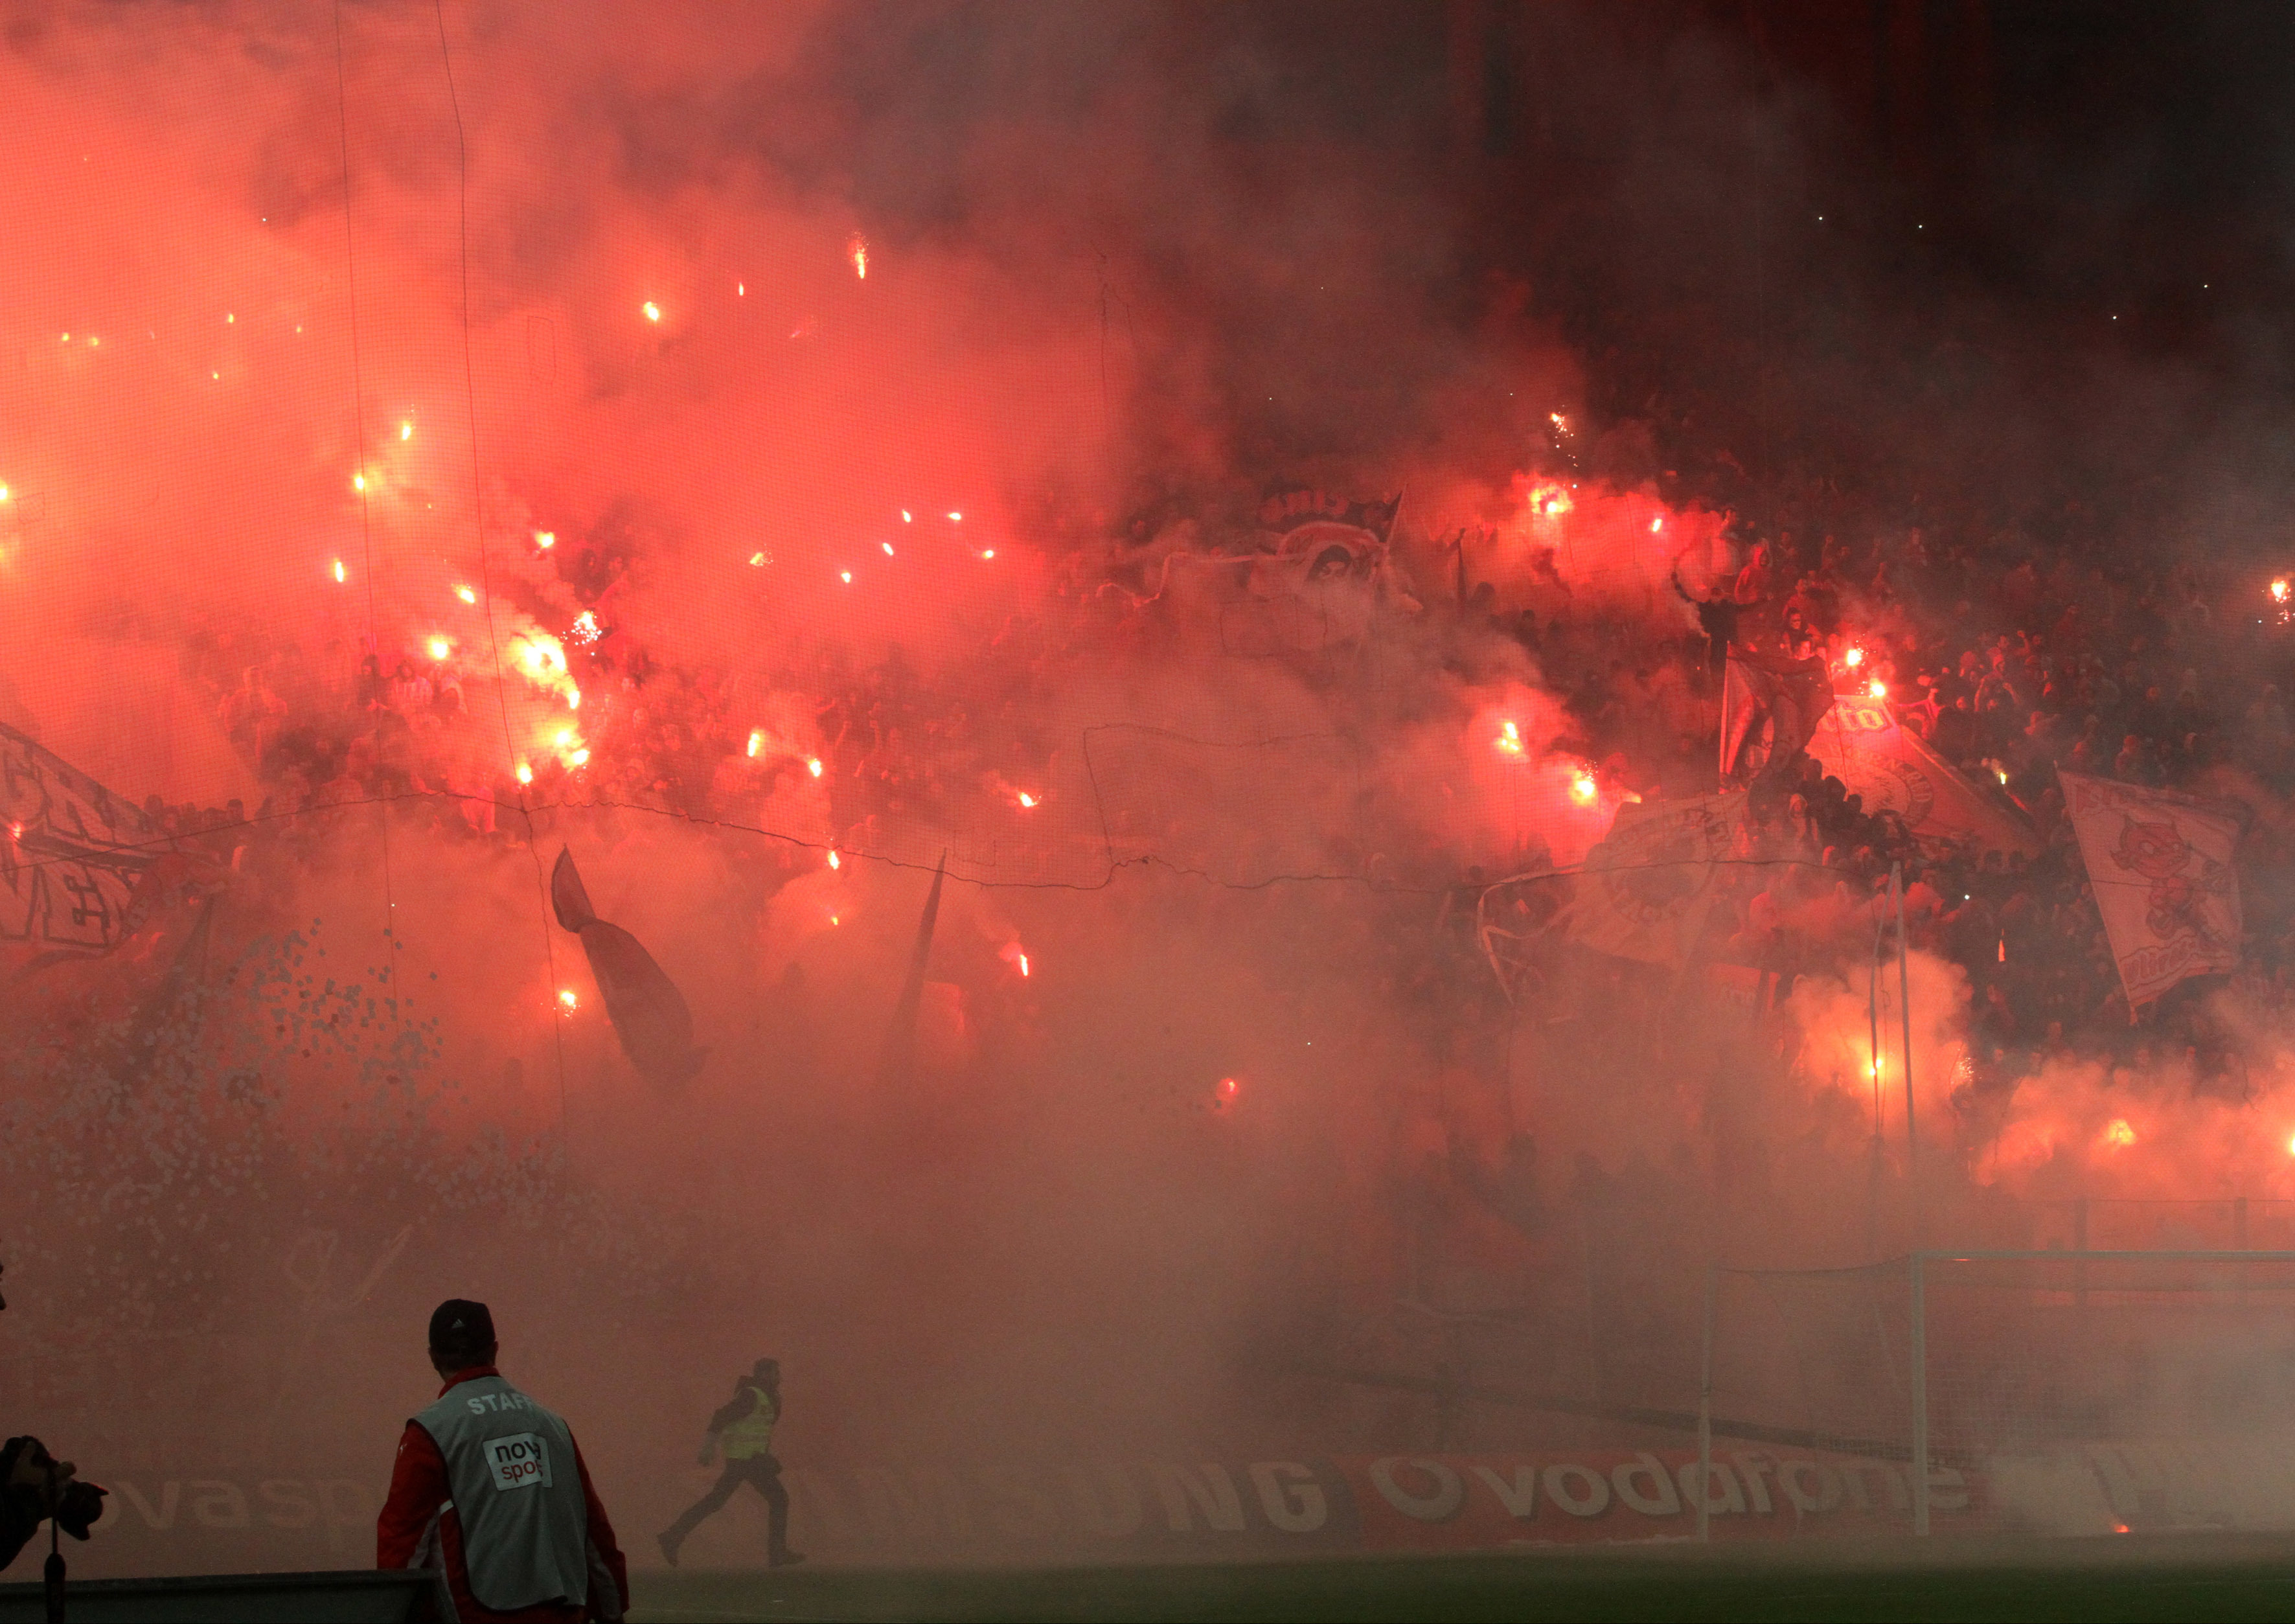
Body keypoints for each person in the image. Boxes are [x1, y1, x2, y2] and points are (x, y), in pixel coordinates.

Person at [378, 1300, 628, 1623]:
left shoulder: (429, 1432)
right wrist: (612, 1613)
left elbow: (403, 1545)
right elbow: (595, 1536)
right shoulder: (552, 1426)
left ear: (432, 1357)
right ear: (494, 1349)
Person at [656, 1358, 803, 1568]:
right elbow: (722, 1416)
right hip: (745, 1460)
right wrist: (708, 1446)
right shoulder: (751, 1395)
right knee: (778, 1499)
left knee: (716, 1501)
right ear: (764, 1375)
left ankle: (672, 1536)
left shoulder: (766, 1397)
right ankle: (777, 1554)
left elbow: (757, 1430)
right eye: (776, 1373)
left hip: (750, 1459)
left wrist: (766, 1455)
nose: (780, 1377)